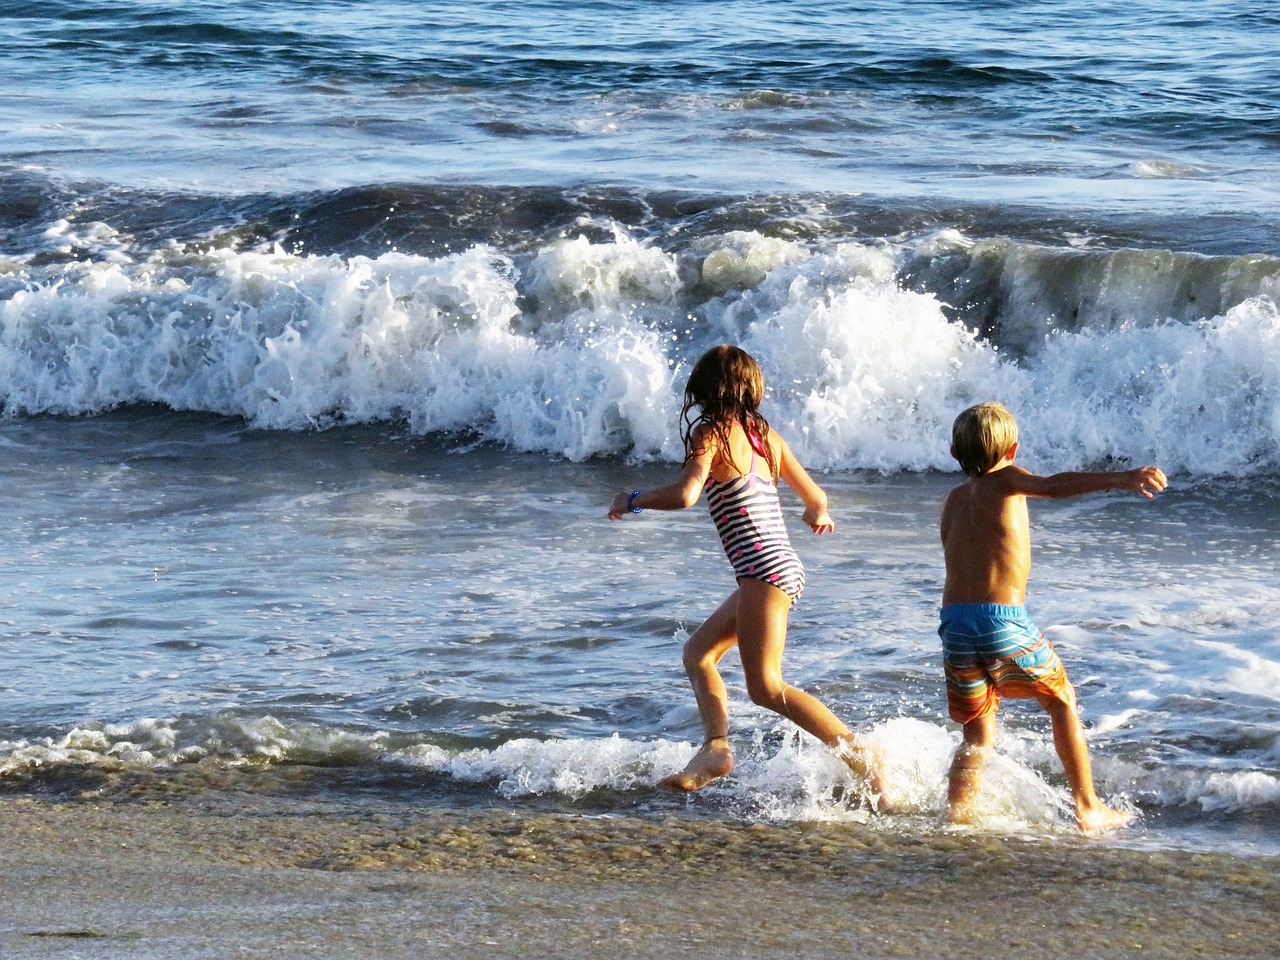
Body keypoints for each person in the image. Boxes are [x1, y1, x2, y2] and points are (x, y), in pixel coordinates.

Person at [609, 344, 881, 800]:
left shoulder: (710, 435)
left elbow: (687, 494)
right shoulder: (766, 438)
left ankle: (861, 758)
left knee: (766, 687)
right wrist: (816, 515)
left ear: (703, 389)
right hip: (778, 569)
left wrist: (631, 499)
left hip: (763, 572)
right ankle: (715, 748)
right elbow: (815, 496)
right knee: (698, 653)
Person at [939, 401, 1166, 832]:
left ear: (954, 454)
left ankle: (957, 817)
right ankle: (1088, 806)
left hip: (954, 625)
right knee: (1060, 701)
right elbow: (1056, 485)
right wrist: (1120, 478)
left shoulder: (952, 501)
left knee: (977, 732)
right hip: (1000, 619)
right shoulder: (1007, 481)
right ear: (1015, 449)